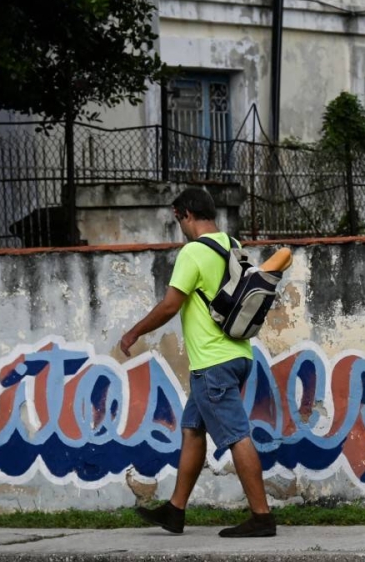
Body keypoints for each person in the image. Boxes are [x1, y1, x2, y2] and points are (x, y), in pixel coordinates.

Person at [118, 188, 276, 538]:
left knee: (236, 435)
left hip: (212, 362)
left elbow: (170, 305)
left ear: (186, 214)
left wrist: (133, 333)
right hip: (238, 355)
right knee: (192, 429)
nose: (180, 227)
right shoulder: (232, 246)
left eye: (178, 219)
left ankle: (262, 517)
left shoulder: (193, 252)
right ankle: (175, 510)